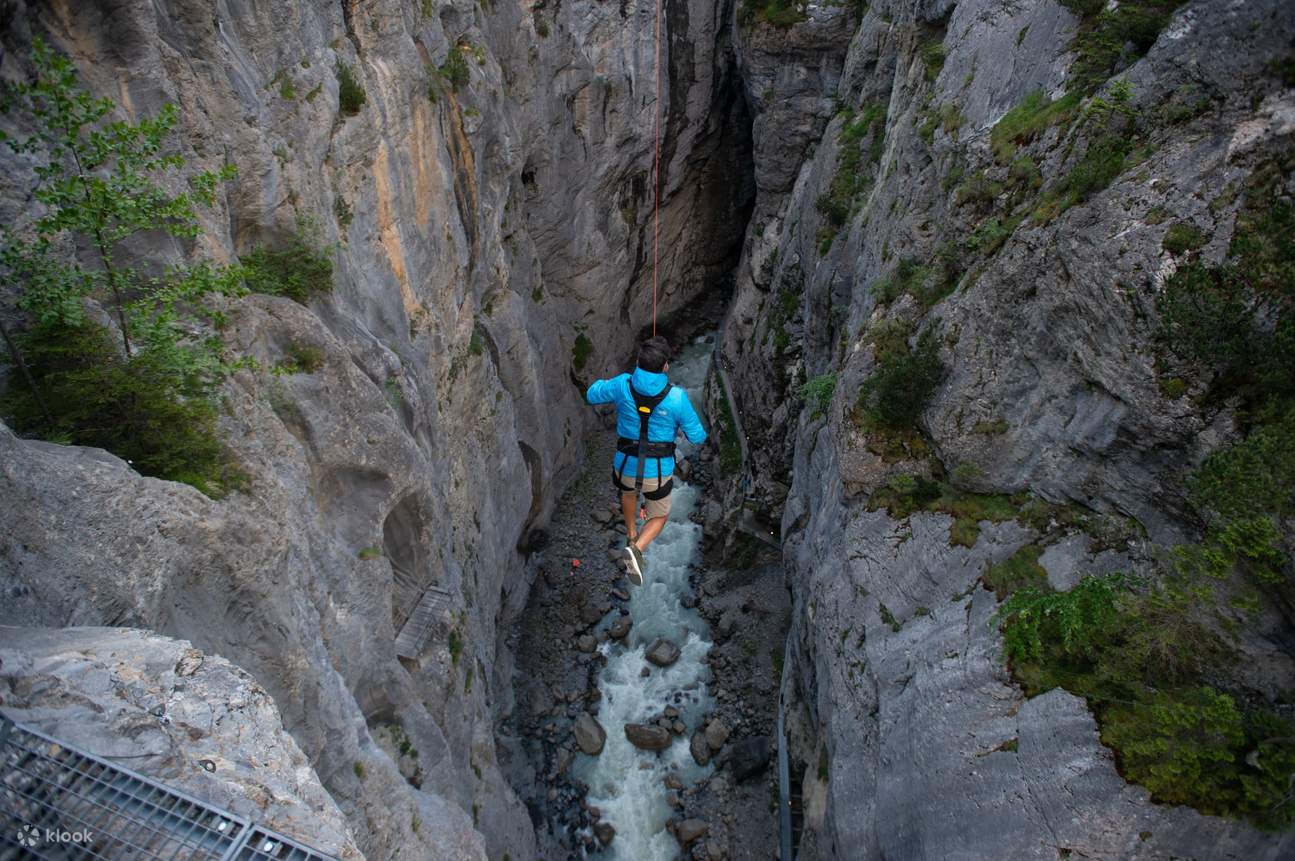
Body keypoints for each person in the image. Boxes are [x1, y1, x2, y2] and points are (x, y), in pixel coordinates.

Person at [585, 335, 707, 585]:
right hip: (657, 471)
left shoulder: (622, 384)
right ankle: (637, 548)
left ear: (638, 363)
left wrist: (609, 385)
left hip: (625, 464)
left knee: (628, 492)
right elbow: (697, 437)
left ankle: (631, 534)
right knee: (659, 516)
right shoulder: (676, 397)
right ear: (665, 367)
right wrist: (676, 425)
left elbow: (592, 394)